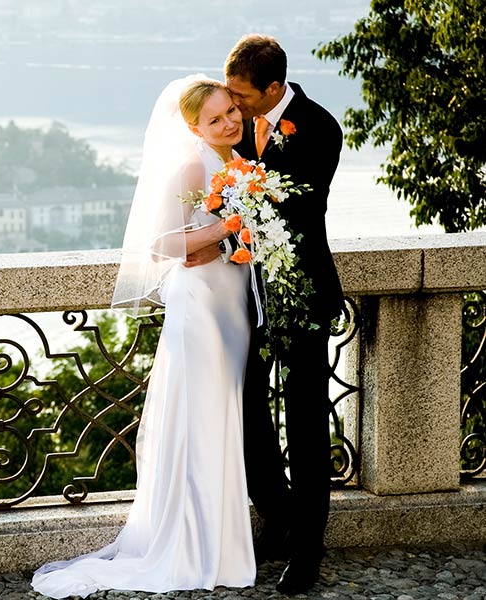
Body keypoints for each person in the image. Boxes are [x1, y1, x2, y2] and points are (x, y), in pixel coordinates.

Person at [31, 76, 255, 598]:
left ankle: (221, 546)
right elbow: (161, 244)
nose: (228, 123)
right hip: (198, 304)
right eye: (215, 119)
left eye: (230, 112)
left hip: (230, 302)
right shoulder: (194, 163)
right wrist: (228, 228)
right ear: (193, 127)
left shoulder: (238, 163)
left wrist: (243, 230)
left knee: (222, 418)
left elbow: (240, 233)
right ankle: (191, 547)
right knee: (197, 418)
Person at [186, 34, 344, 594]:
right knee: (248, 408)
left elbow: (296, 212)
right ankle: (277, 516)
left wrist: (223, 239)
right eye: (227, 95)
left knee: (304, 423)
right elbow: (225, 198)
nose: (233, 104)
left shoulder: (319, 127)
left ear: (273, 88)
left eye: (241, 95)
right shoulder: (236, 127)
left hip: (301, 294)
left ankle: (309, 549)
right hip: (247, 295)